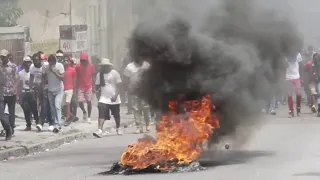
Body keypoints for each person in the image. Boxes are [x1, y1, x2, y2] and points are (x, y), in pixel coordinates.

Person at [93, 58, 122, 137]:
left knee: (116, 114)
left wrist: (115, 95)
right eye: (102, 66)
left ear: (109, 66)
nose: (104, 68)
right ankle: (100, 130)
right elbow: (97, 86)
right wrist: (98, 97)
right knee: (101, 113)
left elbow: (119, 86)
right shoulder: (99, 74)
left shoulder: (115, 73)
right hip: (104, 98)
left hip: (114, 97)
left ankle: (118, 127)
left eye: (105, 66)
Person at [124, 57, 151, 133]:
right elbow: (126, 78)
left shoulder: (146, 65)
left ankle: (148, 124)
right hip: (134, 90)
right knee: (136, 109)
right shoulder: (129, 67)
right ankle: (139, 127)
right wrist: (127, 89)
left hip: (145, 91)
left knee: (145, 107)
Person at [30, 53, 54, 131]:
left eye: (36, 60)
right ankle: (51, 122)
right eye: (33, 60)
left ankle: (41, 122)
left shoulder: (45, 66)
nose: (35, 62)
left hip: (47, 88)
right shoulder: (32, 67)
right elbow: (31, 78)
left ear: (40, 60)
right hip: (38, 89)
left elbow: (48, 78)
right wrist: (31, 88)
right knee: (45, 106)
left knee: (45, 104)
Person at [17, 56, 41, 131]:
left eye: (29, 62)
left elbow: (36, 82)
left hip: (32, 92)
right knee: (26, 110)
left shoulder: (32, 72)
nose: (27, 64)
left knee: (34, 109)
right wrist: (18, 95)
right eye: (26, 62)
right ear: (23, 64)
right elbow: (19, 84)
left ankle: (38, 123)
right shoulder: (20, 73)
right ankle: (28, 125)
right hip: (24, 92)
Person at [42, 55, 64, 133]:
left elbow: (62, 78)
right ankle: (55, 123)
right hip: (50, 90)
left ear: (55, 61)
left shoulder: (59, 66)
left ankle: (57, 124)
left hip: (59, 90)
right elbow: (43, 77)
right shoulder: (46, 67)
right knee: (52, 108)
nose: (52, 64)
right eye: (50, 62)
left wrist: (54, 72)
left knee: (57, 106)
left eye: (53, 62)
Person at [1, 49, 18, 135]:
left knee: (11, 113)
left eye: (4, 56)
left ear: (7, 57)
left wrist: (15, 89)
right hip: (2, 93)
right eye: (1, 56)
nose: (2, 58)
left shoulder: (13, 66)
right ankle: (6, 128)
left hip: (11, 93)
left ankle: (11, 128)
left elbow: (17, 79)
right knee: (2, 114)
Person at [76, 52, 96, 123]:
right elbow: (76, 77)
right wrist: (75, 87)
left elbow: (93, 76)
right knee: (80, 102)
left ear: (87, 60)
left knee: (89, 102)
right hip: (81, 87)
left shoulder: (91, 66)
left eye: (85, 60)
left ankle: (89, 117)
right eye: (82, 60)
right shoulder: (77, 67)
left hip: (88, 86)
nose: (83, 62)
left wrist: (94, 86)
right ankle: (84, 111)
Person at [286, 52, 303, 117]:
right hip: (288, 77)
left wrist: (302, 77)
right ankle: (291, 111)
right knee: (290, 94)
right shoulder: (284, 54)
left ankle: (298, 108)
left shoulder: (297, 53)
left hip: (296, 76)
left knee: (299, 94)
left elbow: (301, 65)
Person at [62, 55, 77, 126]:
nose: (65, 62)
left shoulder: (73, 70)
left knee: (67, 104)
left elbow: (74, 80)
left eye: (67, 60)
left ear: (69, 61)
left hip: (70, 89)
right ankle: (72, 116)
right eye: (64, 60)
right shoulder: (61, 70)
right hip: (62, 89)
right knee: (63, 106)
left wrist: (74, 90)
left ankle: (67, 119)